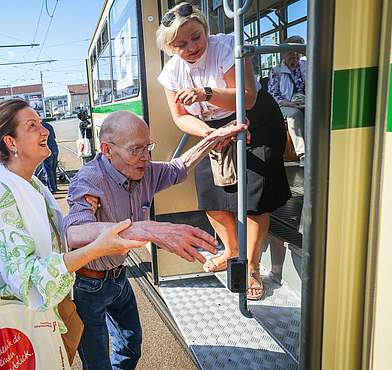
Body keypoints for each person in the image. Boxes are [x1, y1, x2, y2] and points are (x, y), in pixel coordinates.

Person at [0, 99, 146, 361]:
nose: (45, 131)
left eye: (41, 124)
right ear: (11, 142)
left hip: (34, 319)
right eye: (32, 126)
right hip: (18, 330)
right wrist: (97, 248)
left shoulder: (29, 184)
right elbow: (28, 280)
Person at [63, 110, 246, 369]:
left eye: (147, 147)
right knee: (97, 362)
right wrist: (144, 229)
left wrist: (213, 138)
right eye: (136, 149)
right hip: (89, 286)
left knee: (130, 345)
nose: (145, 158)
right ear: (107, 149)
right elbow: (75, 232)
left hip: (119, 277)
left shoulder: (145, 171)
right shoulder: (90, 179)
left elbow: (178, 168)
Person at [156, 2, 292, 300]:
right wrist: (209, 134)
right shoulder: (171, 73)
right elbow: (180, 117)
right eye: (181, 43)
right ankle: (231, 250)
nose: (191, 46)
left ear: (205, 30)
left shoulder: (228, 46)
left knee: (256, 197)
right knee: (210, 194)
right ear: (169, 47)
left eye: (196, 36)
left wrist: (206, 93)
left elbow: (247, 98)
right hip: (213, 128)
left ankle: (253, 266)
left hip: (253, 118)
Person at [268, 35, 307, 166]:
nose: (295, 58)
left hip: (305, 101)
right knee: (294, 115)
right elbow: (273, 94)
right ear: (284, 55)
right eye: (291, 54)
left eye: (297, 55)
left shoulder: (305, 67)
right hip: (285, 104)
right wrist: (291, 104)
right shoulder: (276, 71)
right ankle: (303, 154)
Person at [42, 120, 59, 193]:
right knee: (53, 169)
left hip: (47, 150)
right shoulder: (49, 125)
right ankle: (55, 186)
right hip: (55, 148)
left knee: (48, 171)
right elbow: (54, 137)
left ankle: (52, 189)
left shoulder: (39, 128)